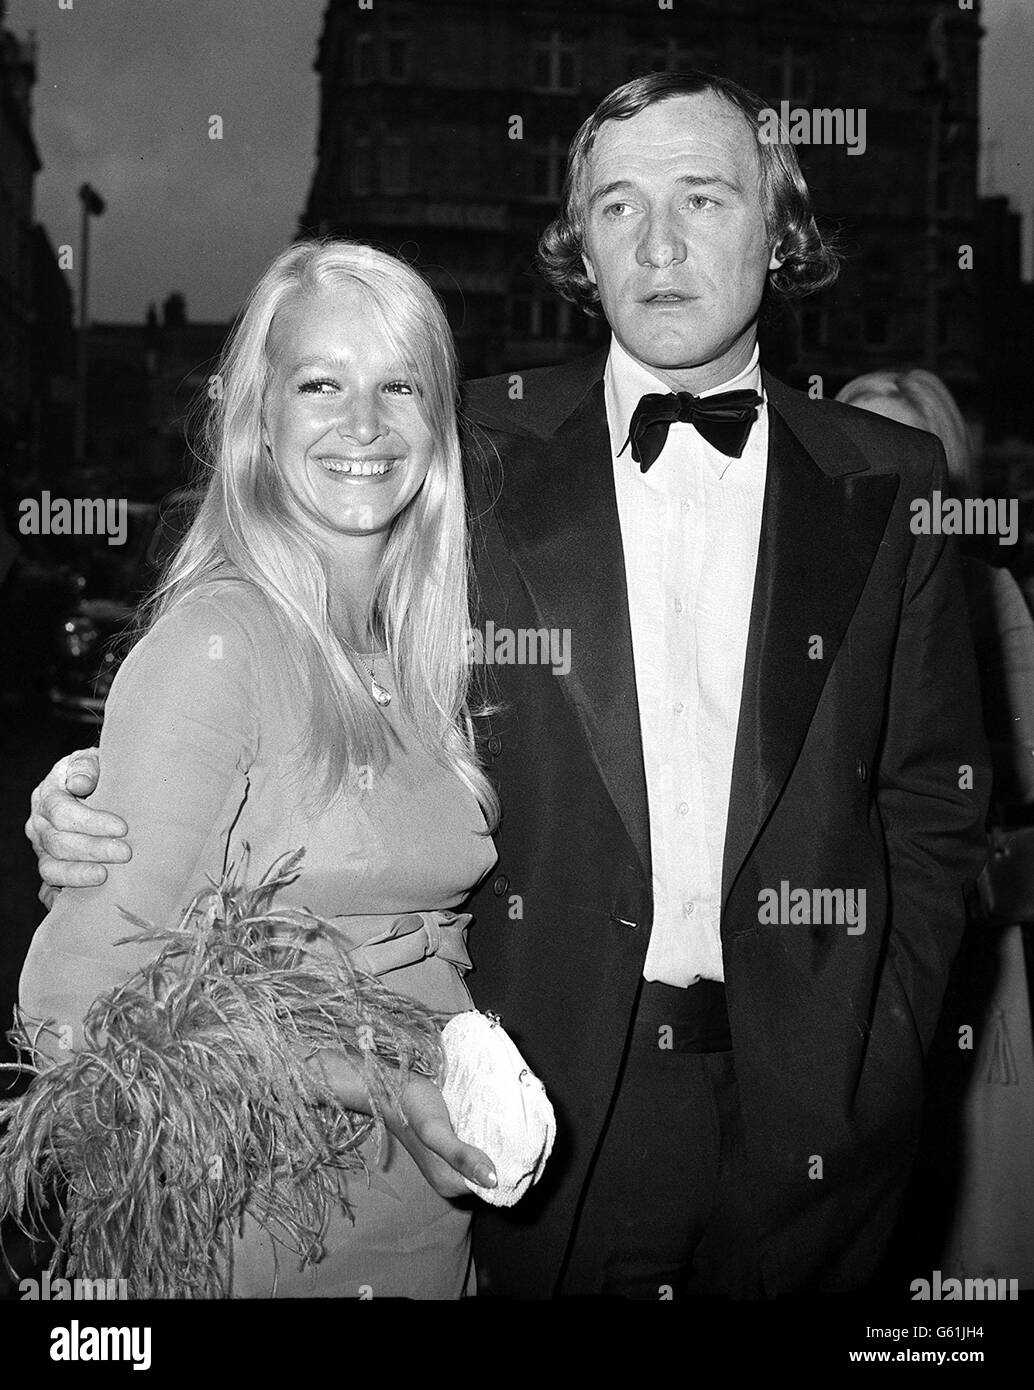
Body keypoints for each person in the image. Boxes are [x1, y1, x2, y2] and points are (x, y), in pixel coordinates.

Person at [29, 71, 992, 1299]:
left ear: (777, 223)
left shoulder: (892, 480)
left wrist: (886, 1052)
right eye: (615, 207)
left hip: (819, 1110)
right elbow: (288, 640)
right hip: (526, 1108)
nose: (658, 244)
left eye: (702, 197)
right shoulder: (458, 453)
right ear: (578, 246)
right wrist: (99, 799)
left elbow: (932, 805)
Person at [19, 238, 502, 1298]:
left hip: (423, 1225)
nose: (364, 425)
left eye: (399, 386)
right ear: (258, 420)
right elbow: (70, 1028)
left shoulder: (411, 652)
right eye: (320, 383)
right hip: (256, 1238)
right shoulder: (219, 645)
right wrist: (365, 1082)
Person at [837, 368, 1034, 1288]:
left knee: (962, 1222)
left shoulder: (986, 595)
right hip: (818, 949)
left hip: (952, 937)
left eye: (901, 449)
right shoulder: (785, 601)